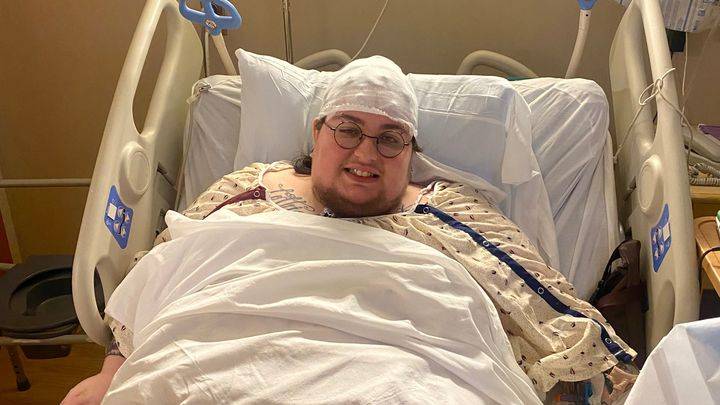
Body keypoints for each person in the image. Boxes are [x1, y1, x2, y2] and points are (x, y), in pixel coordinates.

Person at [63, 56, 635, 404]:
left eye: (390, 138)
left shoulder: (449, 211)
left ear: (411, 152)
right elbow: (161, 271)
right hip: (211, 360)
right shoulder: (249, 188)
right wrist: (112, 373)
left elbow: (547, 305)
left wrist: (612, 385)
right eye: (348, 129)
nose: (366, 152)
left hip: (406, 375)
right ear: (316, 133)